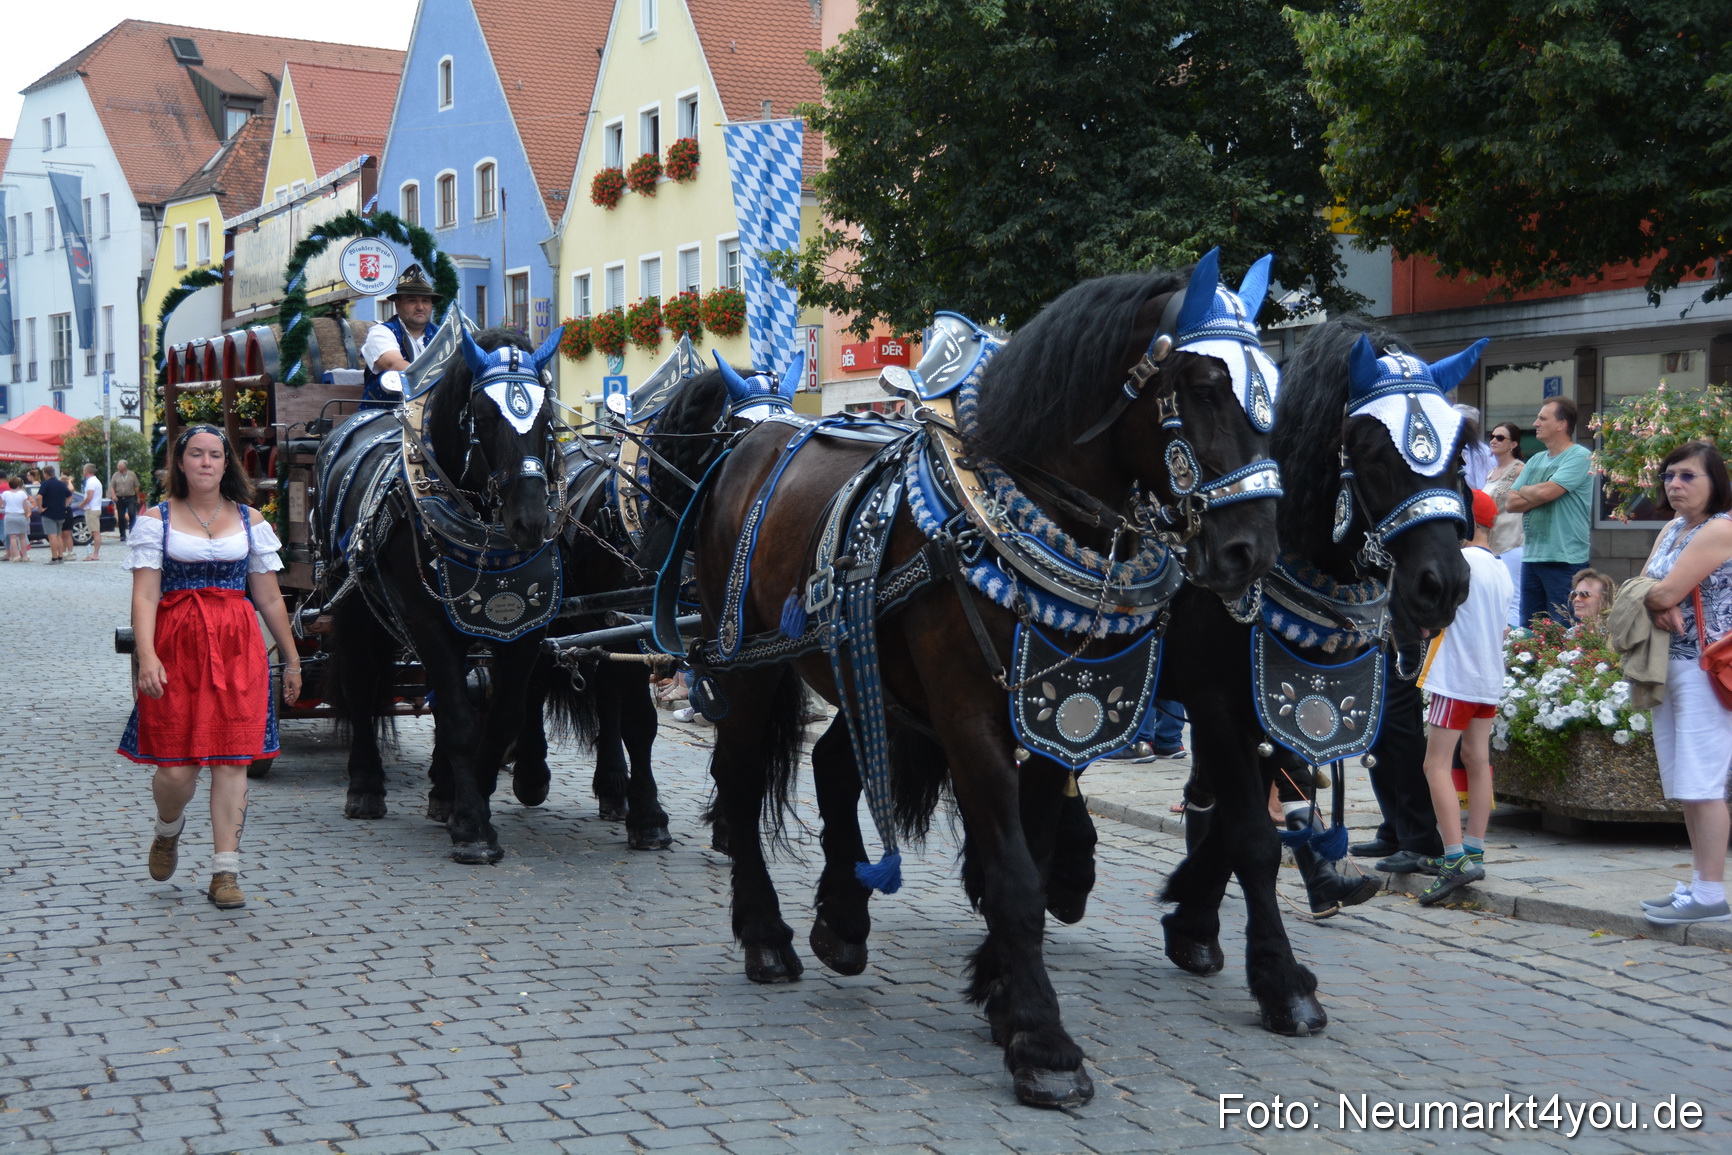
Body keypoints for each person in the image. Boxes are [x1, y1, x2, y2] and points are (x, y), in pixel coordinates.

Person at [118, 424, 301, 910]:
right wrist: (147, 655)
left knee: (233, 760)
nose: (205, 462)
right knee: (176, 773)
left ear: (226, 464)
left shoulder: (249, 519)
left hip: (238, 648)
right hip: (176, 647)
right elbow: (145, 595)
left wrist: (292, 657)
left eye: (214, 455)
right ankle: (168, 827)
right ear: (180, 463)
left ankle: (225, 871)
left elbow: (268, 598)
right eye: (196, 454)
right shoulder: (156, 519)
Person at [1636, 442, 1732, 926]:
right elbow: (1642, 587)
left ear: (1716, 481)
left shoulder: (1720, 528)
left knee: (1704, 783)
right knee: (1687, 785)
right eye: (1669, 475)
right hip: (1669, 665)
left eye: (1688, 476)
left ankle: (1712, 894)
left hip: (1706, 669)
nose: (1675, 484)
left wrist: (1657, 598)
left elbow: (1665, 590)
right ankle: (1697, 886)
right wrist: (1654, 599)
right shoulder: (1674, 527)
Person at [1415, 490, 1515, 905]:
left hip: (1455, 677)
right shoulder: (1500, 567)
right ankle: (1474, 848)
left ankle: (1454, 858)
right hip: (1487, 678)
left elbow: (1427, 621)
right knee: (1477, 759)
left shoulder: (1457, 561)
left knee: (1435, 764)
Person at [1506, 397, 1592, 625]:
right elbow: (1510, 503)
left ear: (1561, 425)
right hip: (1532, 556)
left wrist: (1526, 489)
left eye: (1543, 418)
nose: (1535, 423)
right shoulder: (1535, 459)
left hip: (1565, 559)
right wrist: (1538, 492)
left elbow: (1546, 493)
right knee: (1529, 632)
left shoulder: (1579, 455)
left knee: (1565, 632)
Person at [360, 264, 442, 407]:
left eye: (425, 301)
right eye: (412, 300)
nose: (420, 307)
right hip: (385, 415)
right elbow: (394, 364)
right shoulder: (381, 332)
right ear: (397, 305)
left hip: (433, 415)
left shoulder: (442, 335)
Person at [1484, 421, 1527, 628]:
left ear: (1513, 444)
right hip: (1492, 543)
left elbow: (1531, 499)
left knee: (1514, 597)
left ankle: (1515, 642)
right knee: (1496, 596)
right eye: (1492, 436)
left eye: (1500, 437)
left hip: (1512, 541)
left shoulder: (1519, 469)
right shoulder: (1491, 472)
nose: (1494, 440)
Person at [36, 465, 73, 564]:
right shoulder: (61, 484)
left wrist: (40, 509)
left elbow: (39, 497)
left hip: (49, 513)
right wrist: (65, 505)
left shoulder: (45, 484)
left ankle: (54, 558)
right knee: (58, 535)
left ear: (45, 474)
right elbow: (70, 496)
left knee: (52, 536)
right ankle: (60, 556)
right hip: (61, 513)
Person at [79, 463, 103, 561]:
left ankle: (95, 554)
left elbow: (89, 496)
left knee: (95, 532)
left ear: (87, 471)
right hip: (96, 508)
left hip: (91, 509)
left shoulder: (91, 482)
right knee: (96, 531)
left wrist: (82, 504)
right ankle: (95, 553)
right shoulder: (96, 481)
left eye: (84, 470)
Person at [110, 459, 140, 541]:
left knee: (132, 514)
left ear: (125, 466)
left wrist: (138, 497)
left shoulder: (132, 474)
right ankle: (122, 535)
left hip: (130, 497)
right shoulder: (115, 475)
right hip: (120, 498)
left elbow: (136, 486)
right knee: (121, 517)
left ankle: (132, 533)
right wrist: (113, 495)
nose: (118, 467)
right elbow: (112, 486)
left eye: (119, 466)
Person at [3, 477, 30, 561]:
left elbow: (3, 505)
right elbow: (25, 507)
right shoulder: (22, 493)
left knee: (12, 537)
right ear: (19, 485)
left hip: (9, 516)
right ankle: (24, 556)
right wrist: (27, 516)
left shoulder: (5, 493)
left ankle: (15, 556)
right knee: (22, 536)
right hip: (20, 516)